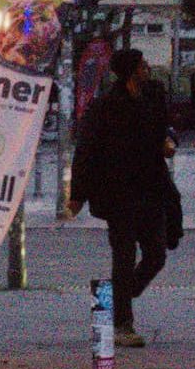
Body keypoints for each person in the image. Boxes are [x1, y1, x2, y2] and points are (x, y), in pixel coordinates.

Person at [68, 49, 174, 347]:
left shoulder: (152, 99)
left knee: (156, 254)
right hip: (119, 193)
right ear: (130, 71)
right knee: (124, 257)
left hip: (151, 189)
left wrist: (169, 141)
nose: (147, 68)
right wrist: (77, 195)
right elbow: (85, 150)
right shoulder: (106, 107)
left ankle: (115, 295)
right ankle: (123, 324)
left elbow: (165, 130)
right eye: (142, 65)